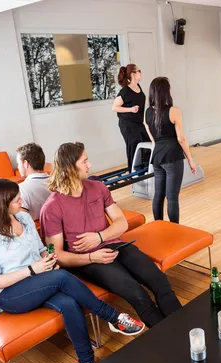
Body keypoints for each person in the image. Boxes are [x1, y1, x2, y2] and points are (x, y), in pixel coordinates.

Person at [0, 179, 144, 363]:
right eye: (17, 199)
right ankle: (112, 317)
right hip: (9, 294)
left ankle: (86, 362)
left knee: (68, 303)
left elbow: (42, 250)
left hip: (39, 279)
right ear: (1, 204)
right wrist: (33, 269)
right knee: (61, 277)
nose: (22, 200)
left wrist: (49, 259)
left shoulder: (23, 218)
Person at [40, 142, 182, 328]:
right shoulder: (52, 207)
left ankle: (184, 328)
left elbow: (121, 223)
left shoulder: (97, 188)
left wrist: (99, 237)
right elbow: (57, 255)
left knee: (159, 280)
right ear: (69, 167)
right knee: (137, 294)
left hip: (116, 246)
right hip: (88, 261)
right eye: (85, 161)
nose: (89, 165)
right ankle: (171, 337)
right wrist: (92, 257)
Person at [144, 77, 196, 224]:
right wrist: (190, 160)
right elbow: (181, 138)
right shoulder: (174, 111)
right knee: (172, 196)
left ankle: (158, 226)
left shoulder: (147, 112)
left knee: (158, 195)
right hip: (172, 156)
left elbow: (152, 138)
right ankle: (174, 229)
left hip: (157, 157)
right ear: (165, 91)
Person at [112, 64, 150, 171]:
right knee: (134, 144)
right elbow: (114, 107)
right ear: (133, 74)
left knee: (147, 140)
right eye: (139, 71)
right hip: (127, 124)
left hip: (138, 123)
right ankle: (133, 172)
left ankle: (145, 169)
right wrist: (130, 109)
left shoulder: (138, 87)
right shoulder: (125, 91)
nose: (141, 73)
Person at [16, 142, 51, 220]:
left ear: (26, 163)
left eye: (18, 163)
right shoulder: (57, 182)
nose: (18, 167)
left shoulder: (21, 189)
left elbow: (22, 221)